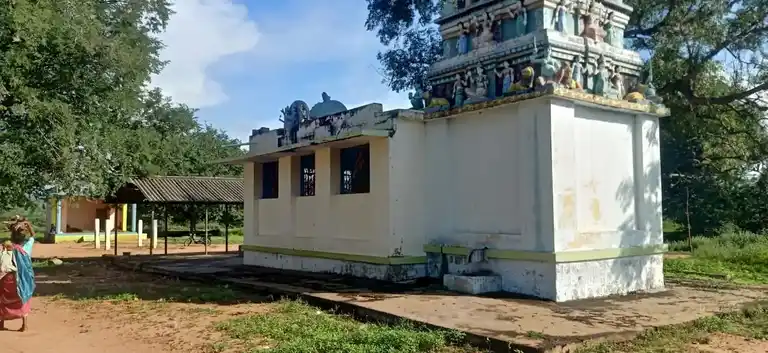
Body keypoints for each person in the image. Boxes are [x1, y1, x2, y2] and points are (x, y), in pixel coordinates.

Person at [0, 216, 36, 332]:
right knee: (23, 298)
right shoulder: (26, 247)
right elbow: (32, 236)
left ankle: (1, 323)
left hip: (6, 279)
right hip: (22, 280)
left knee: (2, 299)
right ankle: (24, 325)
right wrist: (28, 225)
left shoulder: (4, 248)